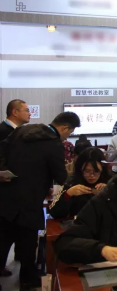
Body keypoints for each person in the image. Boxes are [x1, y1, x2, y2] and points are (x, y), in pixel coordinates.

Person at [0, 112, 81, 289]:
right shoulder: (54, 144)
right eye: (70, 132)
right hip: (31, 199)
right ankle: (27, 280)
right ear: (64, 128)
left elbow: (2, 149)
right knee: (28, 242)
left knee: (4, 238)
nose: (68, 136)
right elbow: (61, 176)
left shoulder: (22, 130)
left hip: (7, 194)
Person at [49, 147, 112, 219]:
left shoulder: (110, 182)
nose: (92, 176)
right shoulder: (71, 182)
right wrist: (68, 194)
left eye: (96, 171)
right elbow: (53, 212)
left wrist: (110, 192)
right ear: (80, 169)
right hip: (78, 223)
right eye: (87, 171)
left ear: (102, 169)